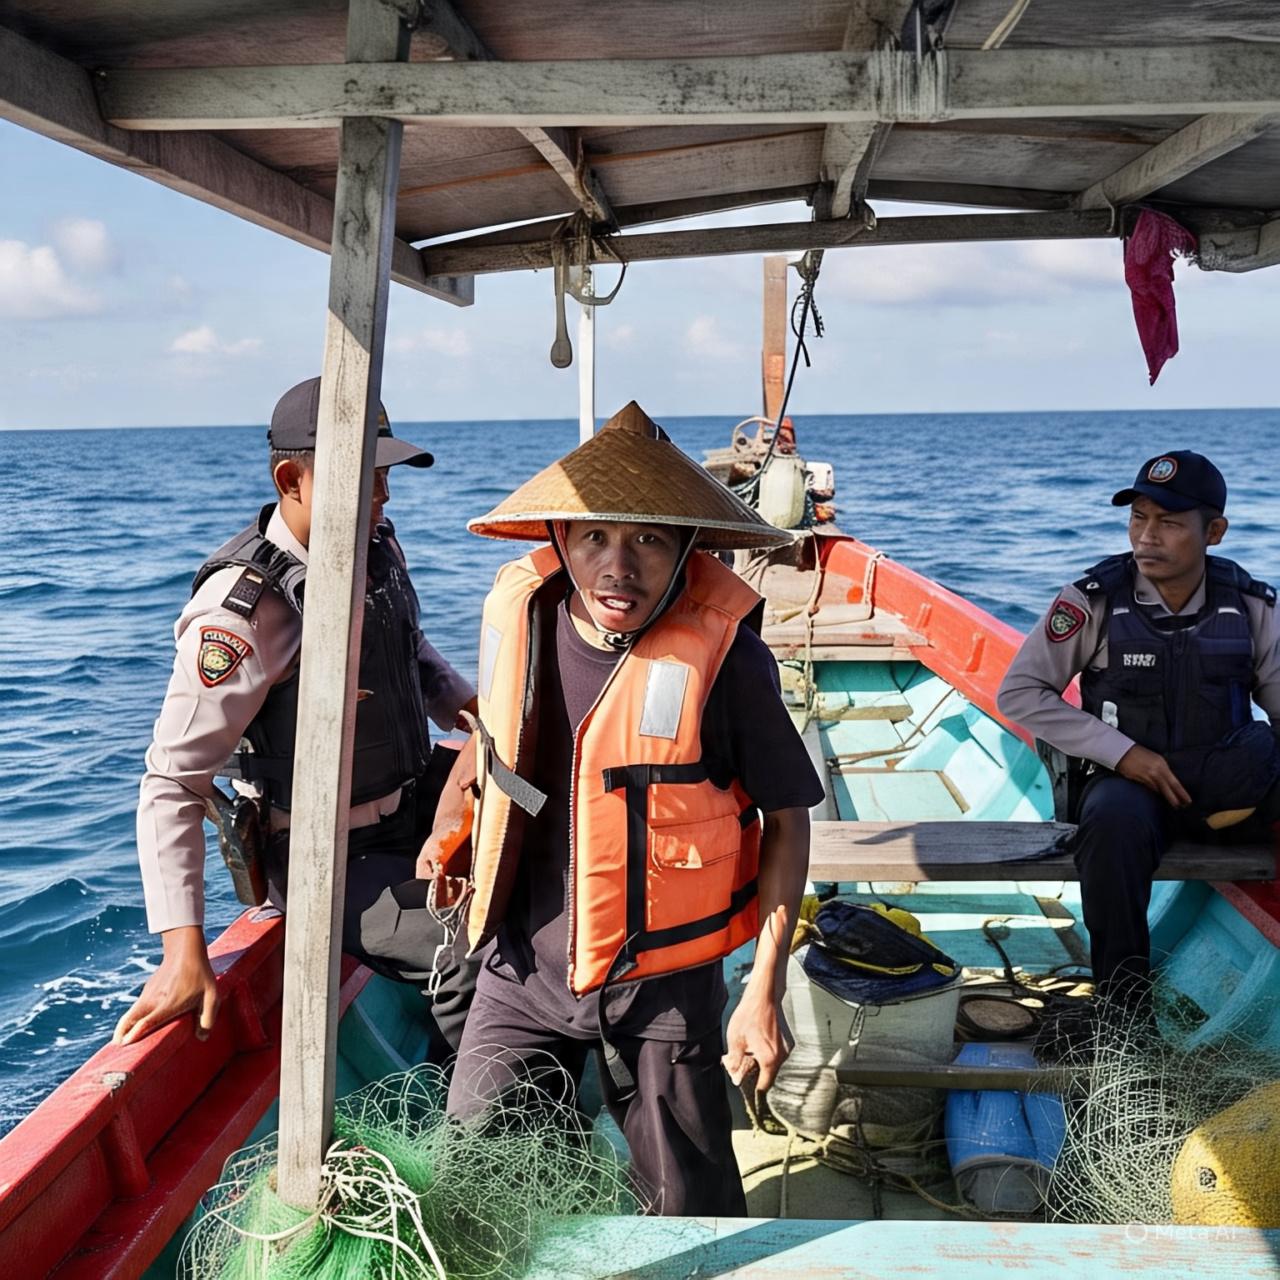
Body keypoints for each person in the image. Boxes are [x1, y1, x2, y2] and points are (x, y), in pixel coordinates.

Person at [418, 402, 823, 1215]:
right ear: (560, 541)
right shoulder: (523, 617)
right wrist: (448, 825)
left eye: (648, 540)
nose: (618, 568)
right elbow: (493, 734)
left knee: (688, 1213)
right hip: (519, 970)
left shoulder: (729, 660)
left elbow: (787, 818)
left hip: (664, 985)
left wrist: (763, 990)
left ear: (686, 552)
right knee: (473, 1180)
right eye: (596, 537)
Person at [114, 377, 478, 1050]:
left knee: (554, 833)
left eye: (385, 474)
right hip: (327, 856)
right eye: (365, 477)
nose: (384, 495)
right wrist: (181, 948)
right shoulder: (243, 615)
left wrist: (467, 705)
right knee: (471, 960)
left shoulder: (374, 546)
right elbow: (172, 782)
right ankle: (503, 1138)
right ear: (292, 478)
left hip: (412, 797)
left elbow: (406, 645)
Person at [998, 450, 1280, 1013]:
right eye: (1138, 519)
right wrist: (1126, 756)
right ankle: (1124, 1010)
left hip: (1222, 782)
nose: (1147, 537)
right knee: (1112, 825)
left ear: (1214, 532)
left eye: (1169, 523)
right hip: (1129, 789)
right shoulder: (1093, 601)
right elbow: (1020, 693)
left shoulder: (1249, 604)